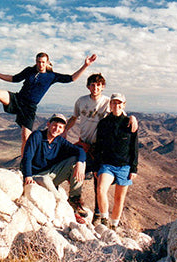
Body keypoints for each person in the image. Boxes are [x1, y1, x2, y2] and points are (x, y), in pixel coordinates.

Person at [0, 52, 96, 154]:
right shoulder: (29, 71)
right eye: (38, 62)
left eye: (43, 62)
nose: (40, 64)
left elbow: (72, 78)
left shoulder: (52, 76)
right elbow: (14, 78)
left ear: (47, 63)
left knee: (26, 137)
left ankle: (25, 164)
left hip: (29, 107)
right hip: (18, 99)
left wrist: (85, 65)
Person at [62, 73, 137, 224]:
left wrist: (133, 118)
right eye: (92, 85)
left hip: (100, 147)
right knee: (75, 169)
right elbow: (74, 117)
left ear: (103, 87)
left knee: (98, 180)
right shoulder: (81, 101)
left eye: (98, 85)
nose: (95, 88)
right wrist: (65, 130)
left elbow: (121, 115)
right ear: (88, 86)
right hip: (84, 144)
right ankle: (77, 202)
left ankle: (98, 213)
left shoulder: (108, 102)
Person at [21, 113, 88, 224]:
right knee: (45, 180)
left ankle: (74, 200)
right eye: (54, 125)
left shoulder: (59, 141)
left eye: (60, 127)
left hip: (50, 173)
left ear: (63, 130)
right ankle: (66, 207)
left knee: (78, 161)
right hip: (35, 175)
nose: (56, 129)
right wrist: (27, 175)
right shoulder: (37, 136)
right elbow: (27, 156)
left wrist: (80, 163)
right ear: (48, 124)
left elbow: (79, 151)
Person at [94, 93, 138, 230]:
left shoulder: (129, 123)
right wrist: (96, 166)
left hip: (124, 166)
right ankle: (104, 218)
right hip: (107, 164)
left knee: (119, 198)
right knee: (101, 189)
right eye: (114, 103)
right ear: (110, 105)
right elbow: (98, 146)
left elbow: (134, 147)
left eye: (119, 104)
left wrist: (134, 168)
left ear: (123, 105)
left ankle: (114, 225)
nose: (116, 106)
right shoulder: (104, 123)